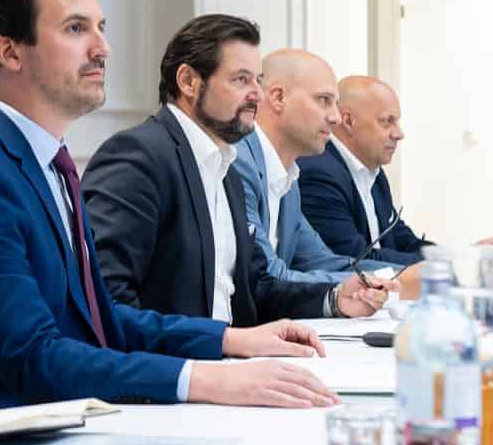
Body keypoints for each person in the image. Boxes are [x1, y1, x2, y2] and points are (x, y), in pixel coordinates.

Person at [0, 0, 338, 429]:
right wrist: (206, 379)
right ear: (9, 52)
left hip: (60, 431)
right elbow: (37, 360)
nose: (102, 48)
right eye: (75, 29)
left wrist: (230, 341)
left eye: (100, 28)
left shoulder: (49, 167)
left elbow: (101, 321)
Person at [81, 18, 354, 325]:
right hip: (177, 355)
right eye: (241, 80)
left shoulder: (227, 173)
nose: (258, 95)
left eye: (258, 81)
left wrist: (334, 299)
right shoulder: (138, 157)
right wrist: (222, 342)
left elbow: (255, 287)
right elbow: (109, 304)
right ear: (188, 81)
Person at [232, 49, 400, 318]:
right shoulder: (238, 163)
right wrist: (340, 293)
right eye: (324, 100)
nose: (335, 117)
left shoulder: (288, 177)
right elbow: (270, 276)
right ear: (278, 97)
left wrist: (389, 277)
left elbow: (321, 261)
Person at [297, 77, 439, 266]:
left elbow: (401, 239)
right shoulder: (318, 174)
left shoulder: (373, 171)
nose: (399, 134)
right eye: (387, 121)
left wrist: (453, 257)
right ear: (348, 121)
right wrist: (440, 265)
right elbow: (356, 259)